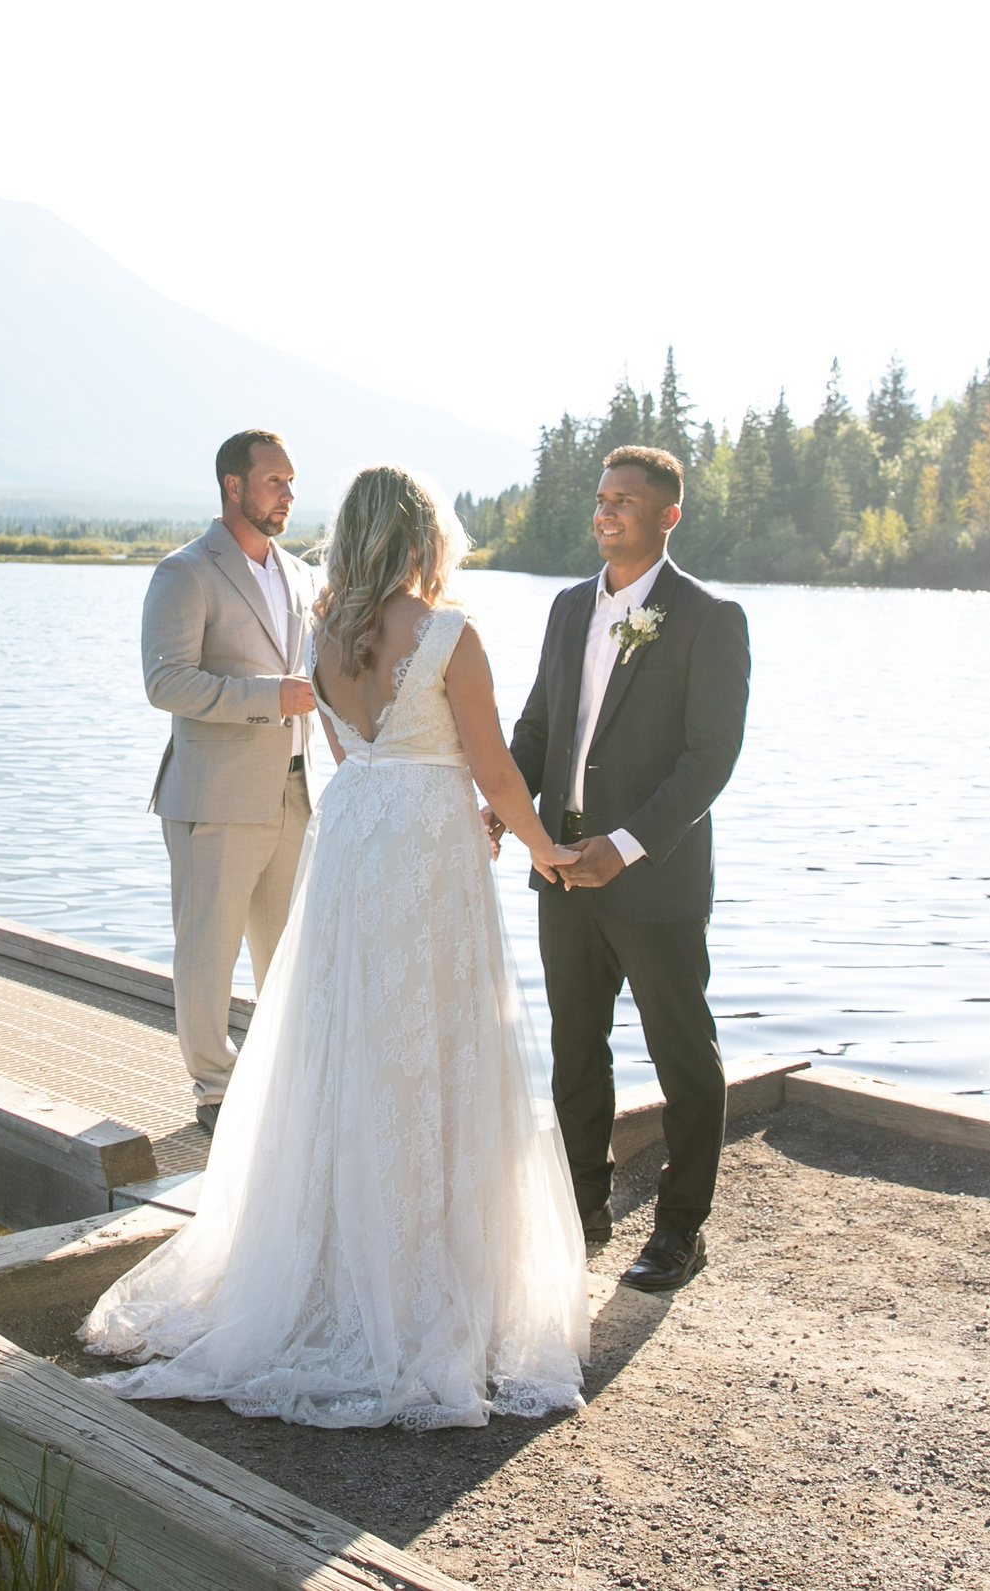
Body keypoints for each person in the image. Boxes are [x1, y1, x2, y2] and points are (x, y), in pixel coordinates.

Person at [84, 465, 589, 1430]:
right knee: (436, 1048)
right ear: (417, 537)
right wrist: (545, 848)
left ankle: (335, 1267)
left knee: (351, 1048)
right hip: (429, 854)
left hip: (355, 846)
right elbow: (494, 768)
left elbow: (355, 755)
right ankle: (424, 1289)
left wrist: (443, 798)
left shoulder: (322, 636)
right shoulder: (448, 633)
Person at [497, 446, 750, 1295]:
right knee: (576, 1048)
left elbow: (710, 760)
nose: (606, 514)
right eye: (601, 500)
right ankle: (581, 1207)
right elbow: (538, 724)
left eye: (626, 503)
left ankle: (680, 1230)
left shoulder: (711, 619)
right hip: (562, 869)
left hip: (654, 880)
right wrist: (506, 802)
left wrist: (628, 845)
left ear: (668, 515)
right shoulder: (569, 608)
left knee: (682, 1053)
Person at [139, 429, 317, 1133]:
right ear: (233, 486)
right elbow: (165, 681)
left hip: (295, 793)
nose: (288, 494)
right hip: (212, 798)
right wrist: (267, 696)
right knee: (207, 953)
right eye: (275, 481)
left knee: (285, 954)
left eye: (292, 481)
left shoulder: (302, 575)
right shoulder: (184, 572)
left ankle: (274, 1081)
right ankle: (214, 1089)